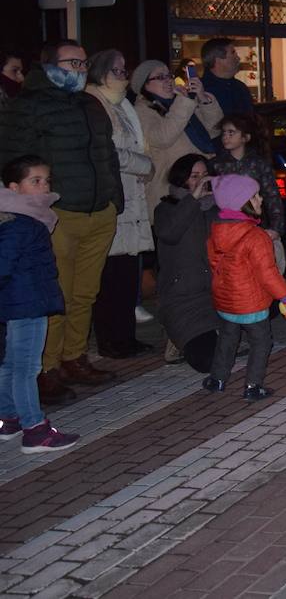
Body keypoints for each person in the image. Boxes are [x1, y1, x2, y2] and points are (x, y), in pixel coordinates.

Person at [0, 39, 122, 405]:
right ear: (50, 66)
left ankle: (74, 357)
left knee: (85, 293)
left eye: (83, 64)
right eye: (73, 63)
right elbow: (13, 159)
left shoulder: (89, 104)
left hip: (99, 211)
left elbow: (107, 153)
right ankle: (46, 368)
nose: (80, 70)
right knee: (57, 296)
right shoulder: (28, 107)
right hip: (59, 215)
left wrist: (114, 198)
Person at [0, 156, 79, 453]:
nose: (44, 186)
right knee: (27, 366)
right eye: (35, 181)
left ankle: (8, 418)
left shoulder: (18, 218)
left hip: (19, 300)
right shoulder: (23, 223)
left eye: (47, 180)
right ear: (14, 187)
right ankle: (35, 430)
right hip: (27, 303)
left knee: (11, 363)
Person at [203, 174, 286, 400]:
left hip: (226, 301)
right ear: (241, 203)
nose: (261, 200)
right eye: (255, 196)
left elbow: (215, 265)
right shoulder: (256, 237)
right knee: (261, 342)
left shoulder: (216, 231)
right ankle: (253, 386)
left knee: (227, 339)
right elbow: (268, 274)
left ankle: (217, 379)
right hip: (250, 304)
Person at [85, 50, 155, 359]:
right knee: (110, 277)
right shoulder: (96, 104)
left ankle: (126, 337)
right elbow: (111, 152)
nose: (123, 74)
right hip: (113, 198)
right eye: (117, 70)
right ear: (101, 74)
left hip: (132, 200)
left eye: (124, 68)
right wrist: (144, 164)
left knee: (127, 276)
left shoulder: (122, 104)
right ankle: (111, 340)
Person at [132, 60, 223, 218]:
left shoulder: (180, 103)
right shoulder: (141, 110)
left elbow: (215, 129)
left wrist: (201, 97)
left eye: (169, 75)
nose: (168, 80)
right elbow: (162, 138)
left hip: (199, 183)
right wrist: (183, 102)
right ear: (144, 84)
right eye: (160, 77)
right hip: (170, 191)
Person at [153, 154, 220, 369]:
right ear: (182, 179)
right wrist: (193, 200)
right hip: (183, 299)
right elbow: (170, 233)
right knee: (207, 362)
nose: (201, 181)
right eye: (194, 176)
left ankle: (219, 333)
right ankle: (177, 338)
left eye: (205, 175)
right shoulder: (166, 209)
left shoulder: (216, 209)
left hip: (215, 295)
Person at [211, 114, 285, 243]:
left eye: (231, 132)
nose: (225, 137)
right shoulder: (217, 164)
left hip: (257, 224)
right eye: (223, 133)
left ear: (245, 137)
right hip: (227, 226)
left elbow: (272, 196)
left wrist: (276, 228)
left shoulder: (258, 163)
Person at [199, 38, 255, 118]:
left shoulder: (240, 88)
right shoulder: (201, 90)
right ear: (218, 60)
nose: (238, 58)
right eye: (233, 53)